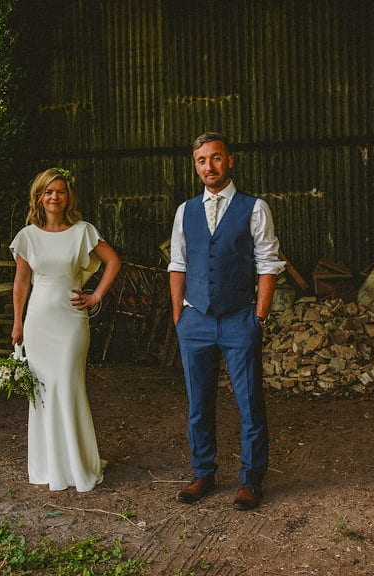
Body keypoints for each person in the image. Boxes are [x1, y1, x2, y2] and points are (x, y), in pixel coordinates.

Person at [167, 132, 285, 510]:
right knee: (198, 401)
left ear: (229, 161)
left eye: (215, 158)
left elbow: (268, 264)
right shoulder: (185, 211)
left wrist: (259, 317)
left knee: (249, 400)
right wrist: (179, 316)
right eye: (202, 160)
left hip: (239, 319)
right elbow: (178, 264)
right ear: (195, 165)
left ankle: (250, 479)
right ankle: (203, 473)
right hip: (195, 320)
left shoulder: (254, 208)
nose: (209, 166)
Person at [9, 167, 122, 492]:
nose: (54, 196)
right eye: (48, 191)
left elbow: (113, 261)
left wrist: (97, 295)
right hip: (39, 321)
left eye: (59, 191)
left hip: (71, 322)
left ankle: (77, 465)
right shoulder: (27, 236)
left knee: (69, 387)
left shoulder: (83, 231)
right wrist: (17, 322)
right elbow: (21, 281)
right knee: (42, 393)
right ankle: (49, 466)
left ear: (67, 196)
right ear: (39, 198)